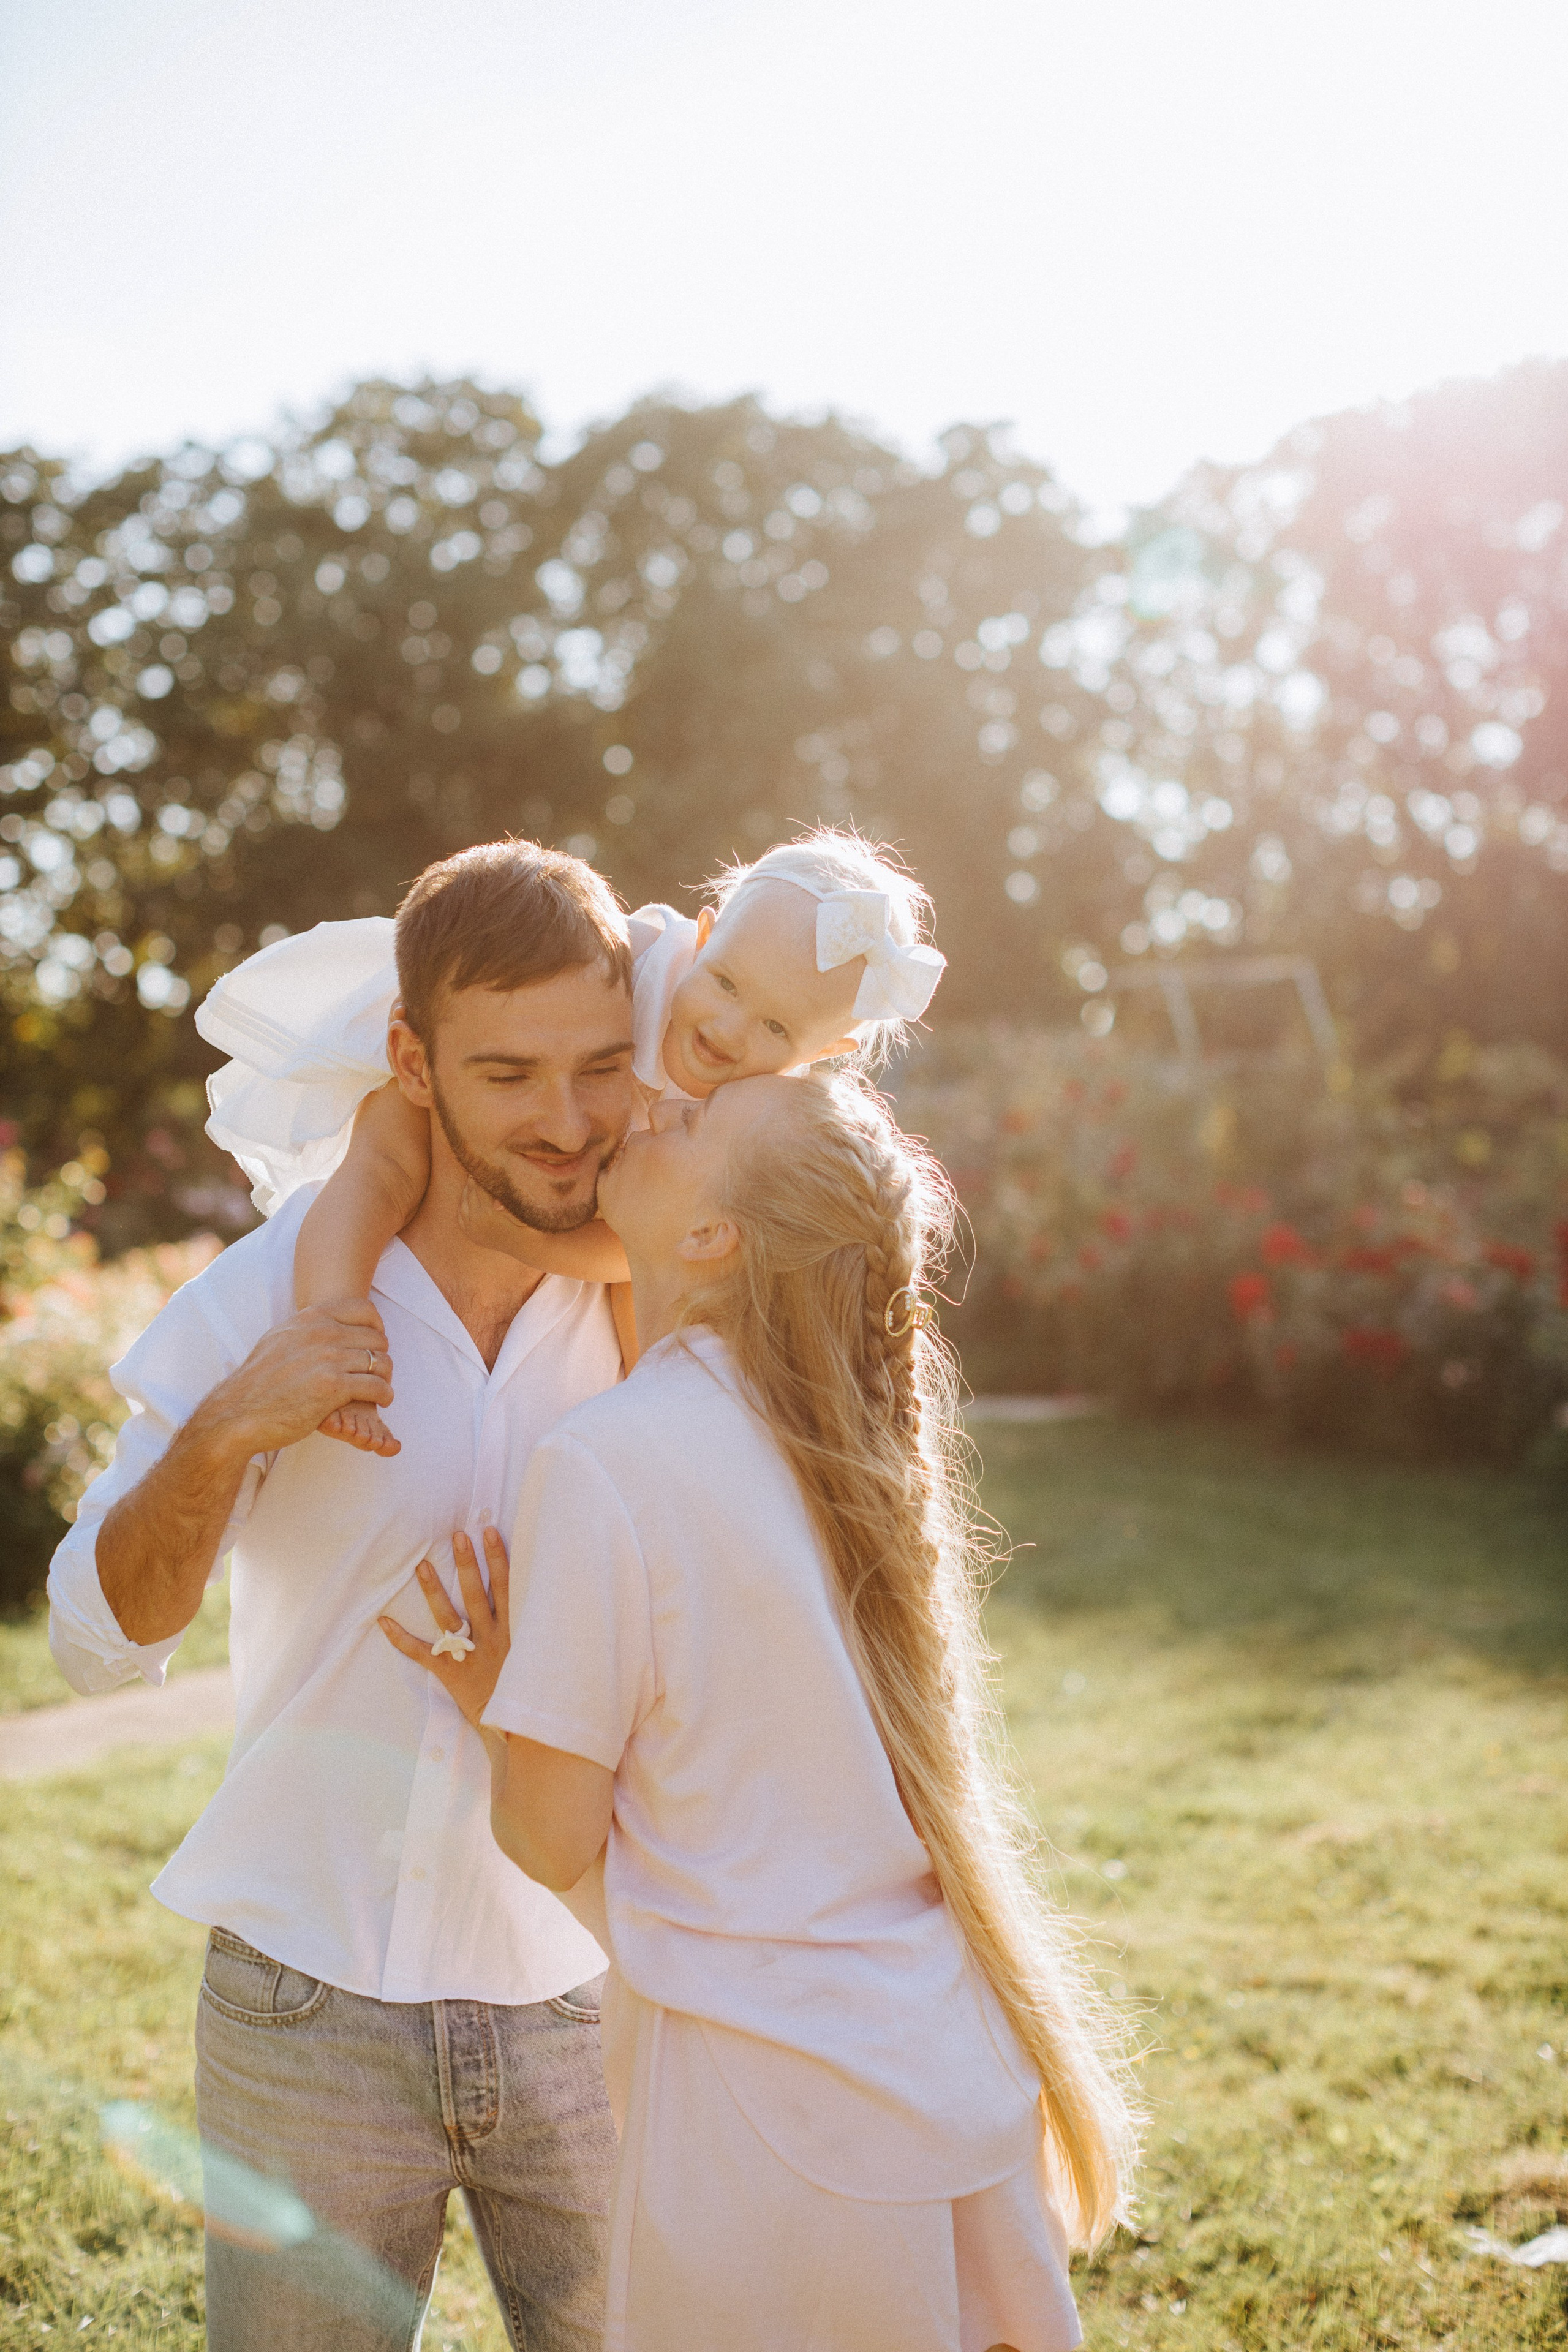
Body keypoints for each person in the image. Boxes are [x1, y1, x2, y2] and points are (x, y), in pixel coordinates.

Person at [385, 1071, 1140, 2352]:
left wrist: (492, 1691)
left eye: (688, 1124)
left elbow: (550, 1840)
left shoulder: (609, 1460)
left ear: (709, 1238)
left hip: (764, 2124)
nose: (645, 1107)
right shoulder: (855, 1453)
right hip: (946, 2067)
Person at [47, 841, 644, 2352]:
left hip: (600, 1985)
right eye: (507, 1072)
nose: (565, 1121)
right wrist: (224, 1428)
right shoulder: (272, 1293)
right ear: (410, 1063)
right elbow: (93, 1643)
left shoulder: (665, 1289)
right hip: (303, 2005)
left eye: (598, 1067)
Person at [195, 827, 946, 1453]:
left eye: (775, 1029)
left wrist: (537, 1246)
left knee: (650, 1301)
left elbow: (644, 1244)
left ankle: (637, 1435)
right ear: (705, 936)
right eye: (724, 983)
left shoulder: (757, 1119)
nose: (727, 1029)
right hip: (502, 1073)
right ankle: (327, 1333)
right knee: (385, 1154)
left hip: (607, 1213)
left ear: (824, 1050)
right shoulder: (638, 960)